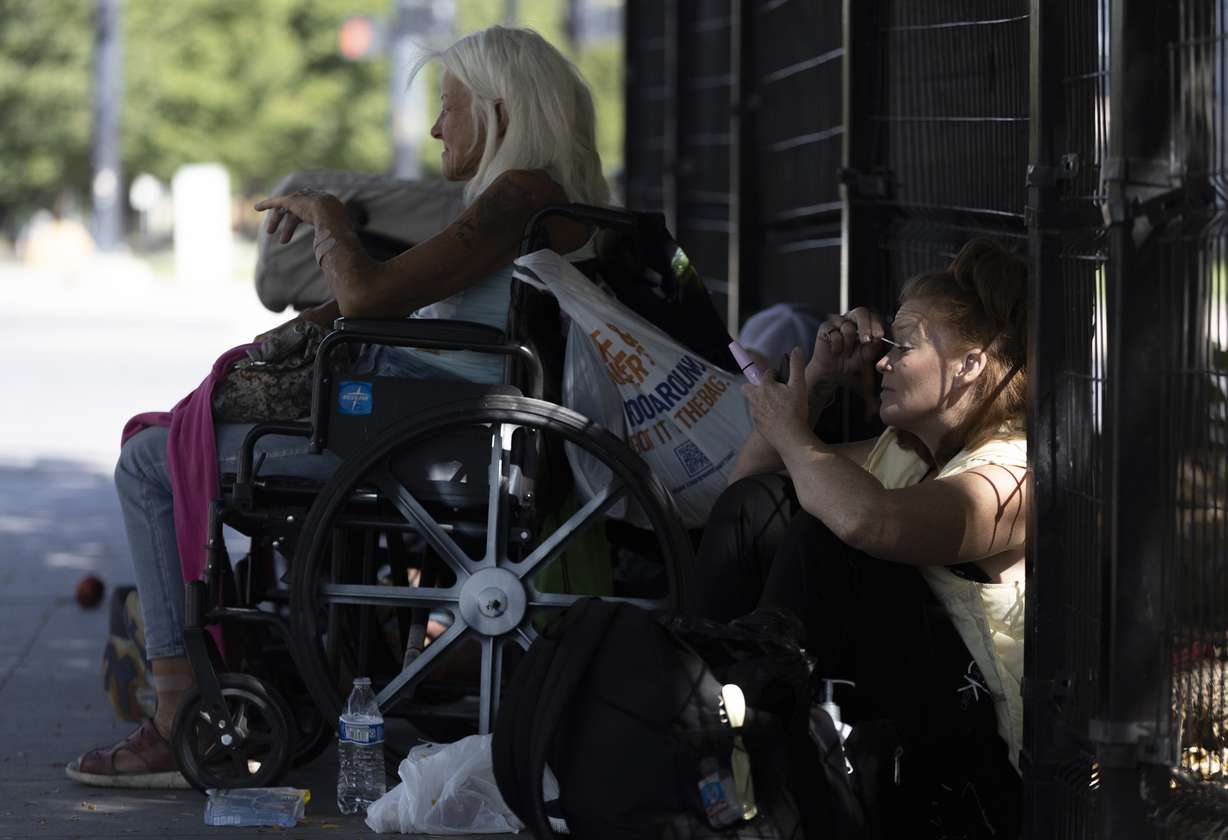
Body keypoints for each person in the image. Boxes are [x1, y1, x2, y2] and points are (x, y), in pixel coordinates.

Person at [67, 24, 608, 788]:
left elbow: (370, 294)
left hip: (426, 437)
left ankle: (173, 710)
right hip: (431, 421)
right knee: (183, 440)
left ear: (497, 112)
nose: (434, 127)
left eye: (447, 107)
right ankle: (252, 662)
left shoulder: (521, 195)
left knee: (148, 463)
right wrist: (310, 323)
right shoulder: (546, 199)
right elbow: (392, 301)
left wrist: (330, 216)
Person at [694, 239, 1028, 830]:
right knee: (772, 507)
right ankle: (701, 712)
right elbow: (749, 498)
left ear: (971, 365)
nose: (882, 362)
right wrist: (816, 383)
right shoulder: (903, 451)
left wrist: (792, 430)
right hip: (899, 710)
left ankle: (741, 738)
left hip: (975, 762)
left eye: (905, 345)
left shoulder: (1014, 472)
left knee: (830, 537)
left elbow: (866, 521)